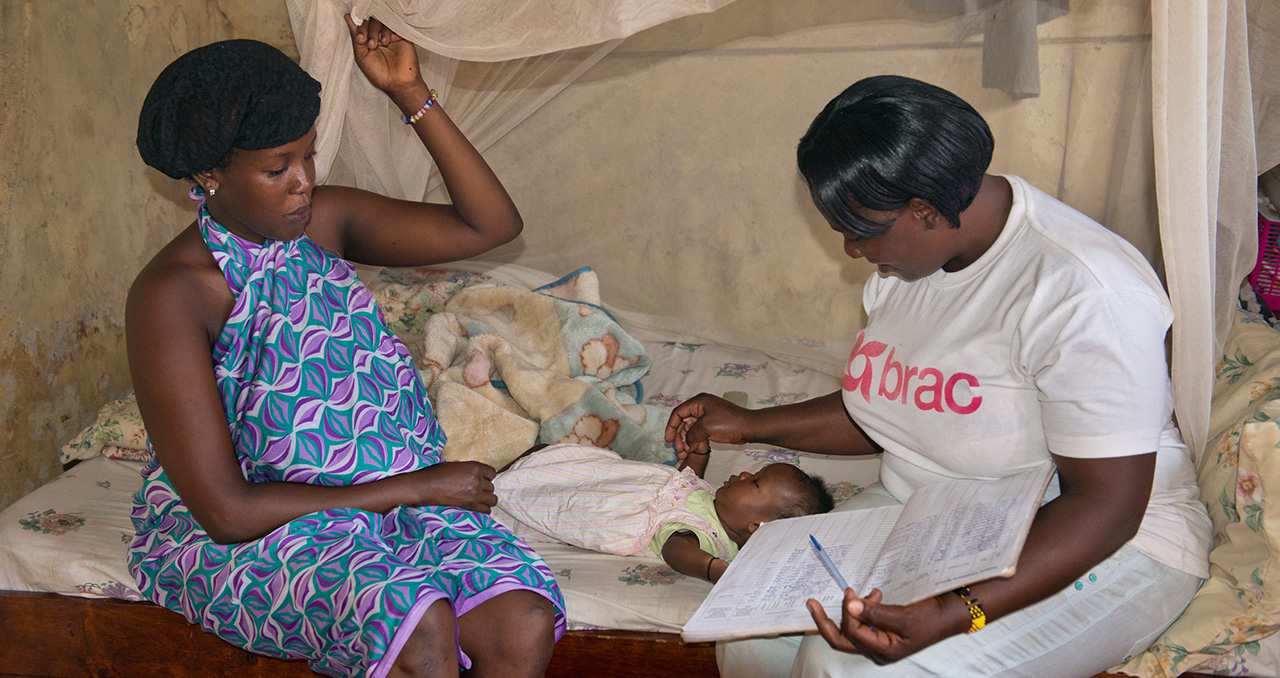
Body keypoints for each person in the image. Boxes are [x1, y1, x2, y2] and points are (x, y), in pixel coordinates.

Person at [665, 75, 1212, 678]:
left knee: (849, 670)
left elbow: (1107, 507)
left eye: (860, 231)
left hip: (1098, 538)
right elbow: (893, 409)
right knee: (750, 641)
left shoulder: (1081, 290)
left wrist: (960, 613)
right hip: (934, 515)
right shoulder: (909, 265)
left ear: (924, 210)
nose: (851, 251)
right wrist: (748, 424)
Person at [126, 17, 564, 678]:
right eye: (279, 168)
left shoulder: (322, 223)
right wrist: (412, 488)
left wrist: (409, 92)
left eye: (307, 155)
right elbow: (225, 510)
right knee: (418, 621)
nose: (304, 180)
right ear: (211, 173)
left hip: (391, 508)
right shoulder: (173, 295)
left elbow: (490, 224)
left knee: (520, 620)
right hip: (265, 530)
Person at [491, 443, 835, 582]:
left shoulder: (708, 537)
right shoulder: (716, 502)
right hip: (618, 479)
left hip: (612, 504)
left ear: (756, 527)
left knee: (541, 493)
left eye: (755, 482)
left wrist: (713, 570)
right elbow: (687, 481)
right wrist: (699, 452)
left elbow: (675, 549)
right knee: (550, 454)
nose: (744, 474)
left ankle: (487, 488)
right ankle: (508, 475)